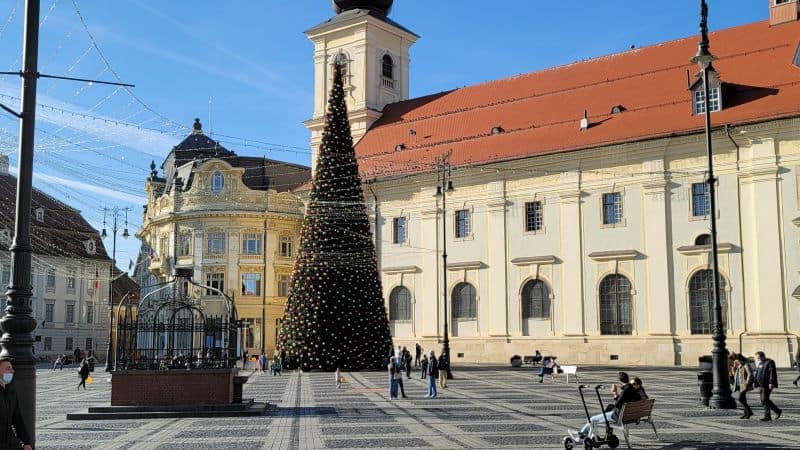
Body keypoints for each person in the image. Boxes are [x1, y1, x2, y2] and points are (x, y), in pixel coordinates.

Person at [0, 358, 33, 450]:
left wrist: (26, 442)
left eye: (12, 368)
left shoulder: (11, 393)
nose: (12, 371)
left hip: (10, 442)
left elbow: (17, 420)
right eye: (8, 368)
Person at [754, 351, 781, 421]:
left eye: (759, 358)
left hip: (767, 384)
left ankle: (767, 416)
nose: (758, 359)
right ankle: (777, 411)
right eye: (757, 358)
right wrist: (755, 382)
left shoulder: (770, 362)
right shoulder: (760, 363)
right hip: (760, 384)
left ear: (763, 356)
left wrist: (771, 382)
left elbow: (772, 373)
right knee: (764, 400)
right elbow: (757, 373)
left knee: (764, 399)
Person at [733, 353, 754, 419]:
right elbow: (735, 376)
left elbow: (750, 375)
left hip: (743, 386)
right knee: (743, 399)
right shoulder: (739, 366)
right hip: (738, 385)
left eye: (738, 361)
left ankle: (749, 412)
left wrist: (746, 383)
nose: (737, 362)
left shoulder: (746, 365)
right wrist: (734, 367)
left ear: (741, 360)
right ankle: (746, 413)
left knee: (740, 399)